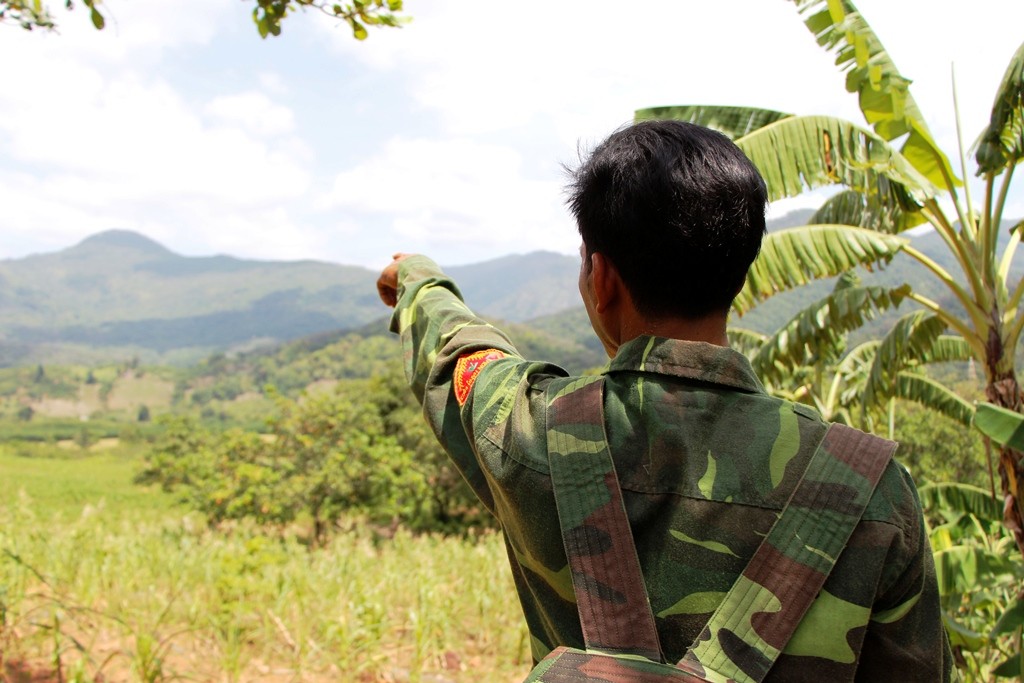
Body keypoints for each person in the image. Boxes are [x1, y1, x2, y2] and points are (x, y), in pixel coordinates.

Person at [375, 120, 951, 680]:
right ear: (738, 271)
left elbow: (458, 354)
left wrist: (416, 278)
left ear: (601, 280)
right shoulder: (875, 491)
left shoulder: (529, 431)